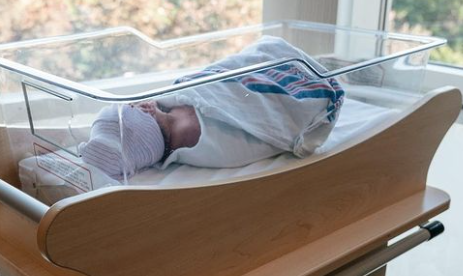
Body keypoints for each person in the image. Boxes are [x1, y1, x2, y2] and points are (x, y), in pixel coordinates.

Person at [79, 36, 345, 180]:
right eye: (133, 106)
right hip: (302, 100)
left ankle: (333, 66)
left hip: (253, 80)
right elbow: (227, 96)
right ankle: (338, 68)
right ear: (145, 112)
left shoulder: (171, 127)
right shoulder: (185, 126)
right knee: (270, 50)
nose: (138, 102)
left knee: (266, 51)